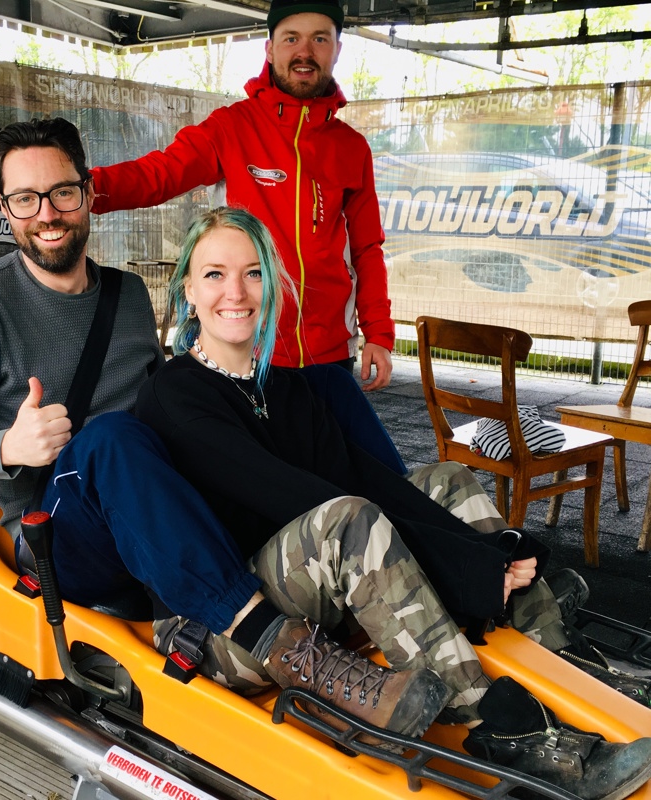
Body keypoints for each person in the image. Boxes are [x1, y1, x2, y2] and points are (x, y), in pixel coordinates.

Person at [0, 116, 455, 749]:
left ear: (87, 193)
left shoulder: (128, 295)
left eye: (61, 192)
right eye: (25, 199)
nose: (47, 212)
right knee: (114, 438)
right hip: (62, 534)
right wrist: (6, 447)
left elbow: (172, 402)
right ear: (6, 209)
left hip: (158, 524)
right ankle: (279, 646)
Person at [134, 205, 651, 800]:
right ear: (187, 291)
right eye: (215, 275)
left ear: (273, 286)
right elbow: (298, 499)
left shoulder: (282, 385)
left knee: (446, 480)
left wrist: (489, 550)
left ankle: (561, 654)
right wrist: (463, 565)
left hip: (309, 592)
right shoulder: (176, 394)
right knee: (348, 521)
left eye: (253, 273)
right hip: (230, 627)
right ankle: (495, 726)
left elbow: (367, 476)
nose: (236, 292)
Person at [88, 0, 394, 391]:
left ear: (336, 49)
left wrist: (380, 335)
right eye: (291, 38)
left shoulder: (352, 148)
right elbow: (159, 173)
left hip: (331, 351)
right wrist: (83, 189)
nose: (305, 52)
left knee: (329, 453)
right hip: (250, 343)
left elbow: (367, 248)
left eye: (320, 39)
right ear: (270, 49)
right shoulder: (232, 127)